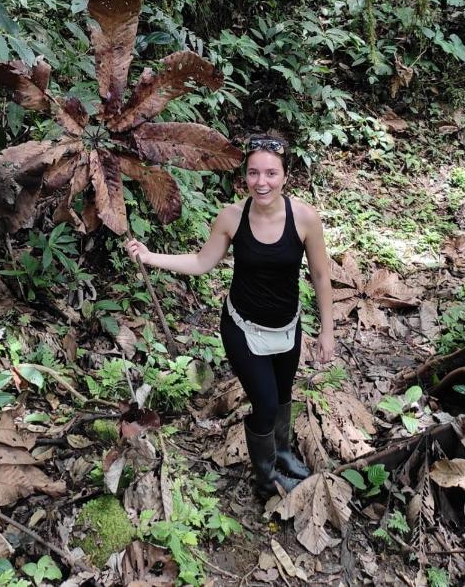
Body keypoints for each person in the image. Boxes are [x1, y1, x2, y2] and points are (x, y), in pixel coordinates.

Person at [125, 133, 335, 499]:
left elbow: (320, 274)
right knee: (266, 404)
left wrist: (327, 332)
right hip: (242, 326)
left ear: (285, 175)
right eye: (254, 173)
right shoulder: (231, 217)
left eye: (271, 173)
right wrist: (150, 256)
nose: (262, 182)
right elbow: (202, 262)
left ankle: (283, 453)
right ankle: (266, 478)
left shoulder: (304, 218)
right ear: (245, 177)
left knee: (284, 394)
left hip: (288, 325)